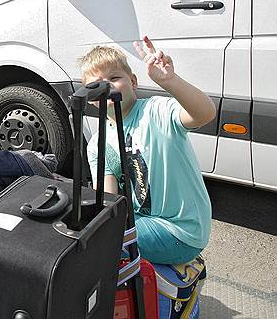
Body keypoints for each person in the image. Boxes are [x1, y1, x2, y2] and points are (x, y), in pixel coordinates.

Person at [79, 39, 215, 265]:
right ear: (89, 97)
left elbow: (205, 114)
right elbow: (109, 201)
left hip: (180, 230)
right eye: (96, 84)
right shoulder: (97, 144)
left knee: (99, 244)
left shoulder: (156, 111)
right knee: (94, 232)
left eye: (114, 78)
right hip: (142, 220)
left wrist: (170, 81)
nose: (107, 87)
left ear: (133, 82)